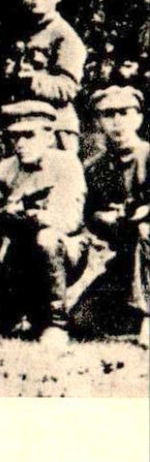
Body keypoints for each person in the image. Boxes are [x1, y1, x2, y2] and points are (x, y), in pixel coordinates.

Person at [0, 100, 87, 346]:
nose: (20, 144)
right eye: (14, 137)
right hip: (19, 251)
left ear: (49, 135)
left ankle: (56, 322)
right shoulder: (5, 169)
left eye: (29, 135)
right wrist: (7, 214)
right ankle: (20, 309)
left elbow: (70, 220)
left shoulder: (66, 164)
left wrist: (33, 214)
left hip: (64, 249)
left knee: (47, 238)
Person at [77, 86, 149, 346]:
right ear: (98, 121)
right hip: (127, 262)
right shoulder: (95, 167)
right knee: (81, 322)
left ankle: (147, 318)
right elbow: (87, 216)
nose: (117, 121)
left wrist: (142, 213)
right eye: (108, 114)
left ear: (139, 117)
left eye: (124, 113)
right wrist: (104, 218)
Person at [3, 0, 86, 154]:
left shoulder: (64, 36)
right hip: (23, 123)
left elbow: (67, 88)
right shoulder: (23, 33)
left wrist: (33, 80)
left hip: (55, 127)